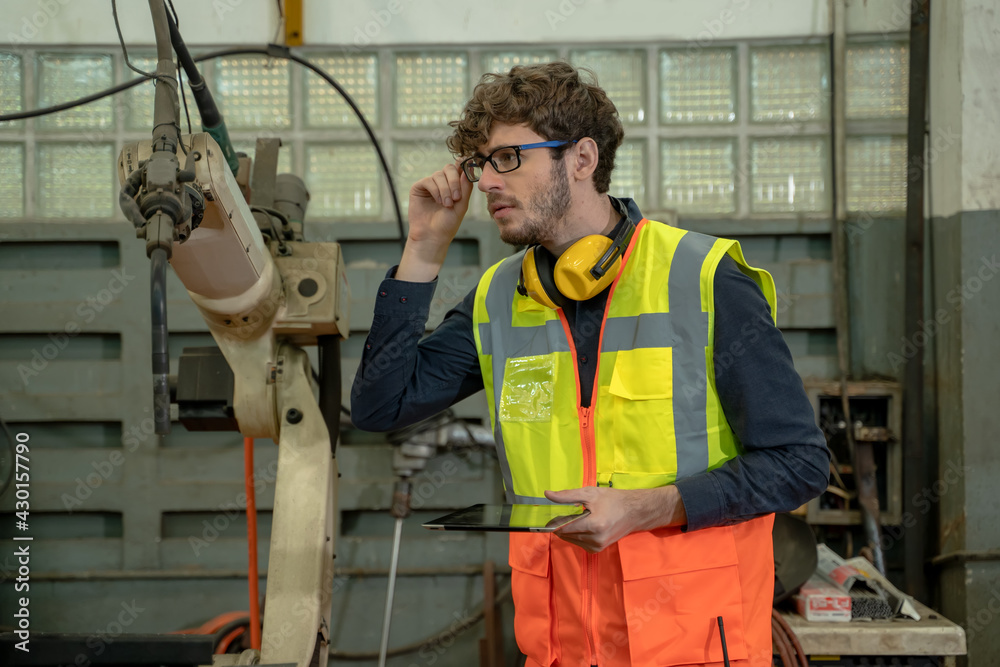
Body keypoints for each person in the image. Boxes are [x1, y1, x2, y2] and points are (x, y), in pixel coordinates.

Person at [351, 62, 830, 667]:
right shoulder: (500, 299)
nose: (487, 183)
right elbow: (379, 406)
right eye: (481, 165)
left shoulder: (703, 279)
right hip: (563, 650)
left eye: (508, 158)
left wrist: (649, 507)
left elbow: (799, 463)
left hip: (694, 649)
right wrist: (422, 250)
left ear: (581, 158)